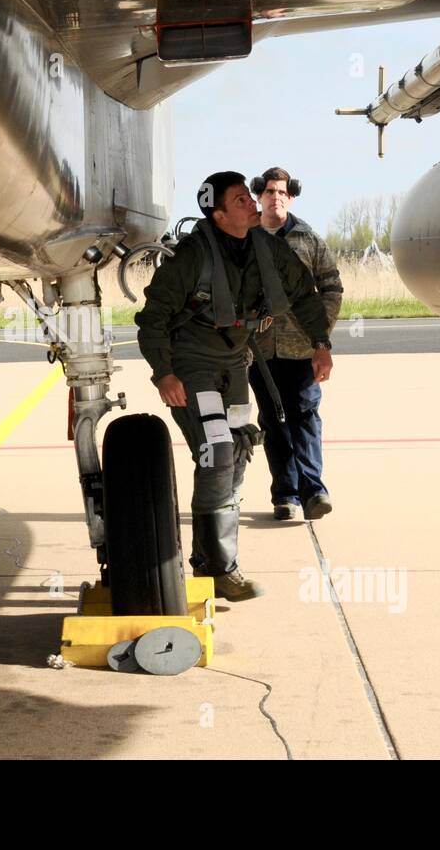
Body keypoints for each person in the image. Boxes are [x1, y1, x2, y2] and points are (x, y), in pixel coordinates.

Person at [135, 171, 333, 601]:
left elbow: (304, 294)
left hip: (235, 365)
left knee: (238, 450)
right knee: (217, 451)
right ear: (220, 214)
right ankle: (224, 569)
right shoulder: (190, 257)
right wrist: (164, 373)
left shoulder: (268, 249)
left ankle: (207, 564)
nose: (252, 204)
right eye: (241, 200)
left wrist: (320, 344)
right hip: (193, 365)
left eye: (250, 197)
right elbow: (152, 319)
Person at [247, 167, 344, 521]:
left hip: (302, 350)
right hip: (258, 352)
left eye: (282, 192)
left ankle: (314, 490)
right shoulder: (244, 237)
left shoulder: (308, 240)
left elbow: (331, 288)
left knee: (304, 417)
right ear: (259, 195)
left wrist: (322, 342)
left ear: (291, 196)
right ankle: (286, 496)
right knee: (273, 422)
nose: (276, 197)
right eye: (270, 191)